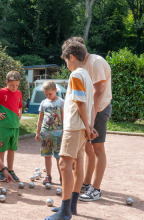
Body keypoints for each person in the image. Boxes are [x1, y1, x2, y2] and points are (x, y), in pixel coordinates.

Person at [45, 41, 97, 220]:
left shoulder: (76, 75)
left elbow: (81, 104)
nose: (66, 64)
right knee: (78, 164)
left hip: (74, 127)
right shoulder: (87, 76)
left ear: (71, 57)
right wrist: (89, 126)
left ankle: (65, 211)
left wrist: (87, 126)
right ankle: (71, 206)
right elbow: (88, 104)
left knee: (64, 164)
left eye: (66, 60)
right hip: (81, 127)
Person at [63, 37, 112, 202]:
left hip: (99, 109)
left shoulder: (95, 63)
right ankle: (85, 183)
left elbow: (98, 93)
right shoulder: (82, 68)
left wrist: (90, 121)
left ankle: (96, 189)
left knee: (98, 149)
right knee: (87, 150)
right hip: (90, 111)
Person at [0, 71, 23, 182]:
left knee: (12, 149)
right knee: (2, 149)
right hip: (4, 126)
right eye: (12, 85)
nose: (14, 87)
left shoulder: (19, 93)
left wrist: (20, 113)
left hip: (15, 126)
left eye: (17, 85)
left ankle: (11, 170)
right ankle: (1, 170)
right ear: (6, 82)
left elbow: (20, 106)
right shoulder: (1, 92)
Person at [35, 80, 64, 186]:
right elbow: (40, 118)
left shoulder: (61, 102)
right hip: (45, 133)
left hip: (58, 134)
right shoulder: (43, 102)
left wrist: (64, 133)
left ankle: (62, 176)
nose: (48, 96)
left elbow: (64, 118)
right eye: (46, 94)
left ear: (55, 90)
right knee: (47, 156)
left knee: (58, 157)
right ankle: (48, 176)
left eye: (50, 94)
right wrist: (38, 132)